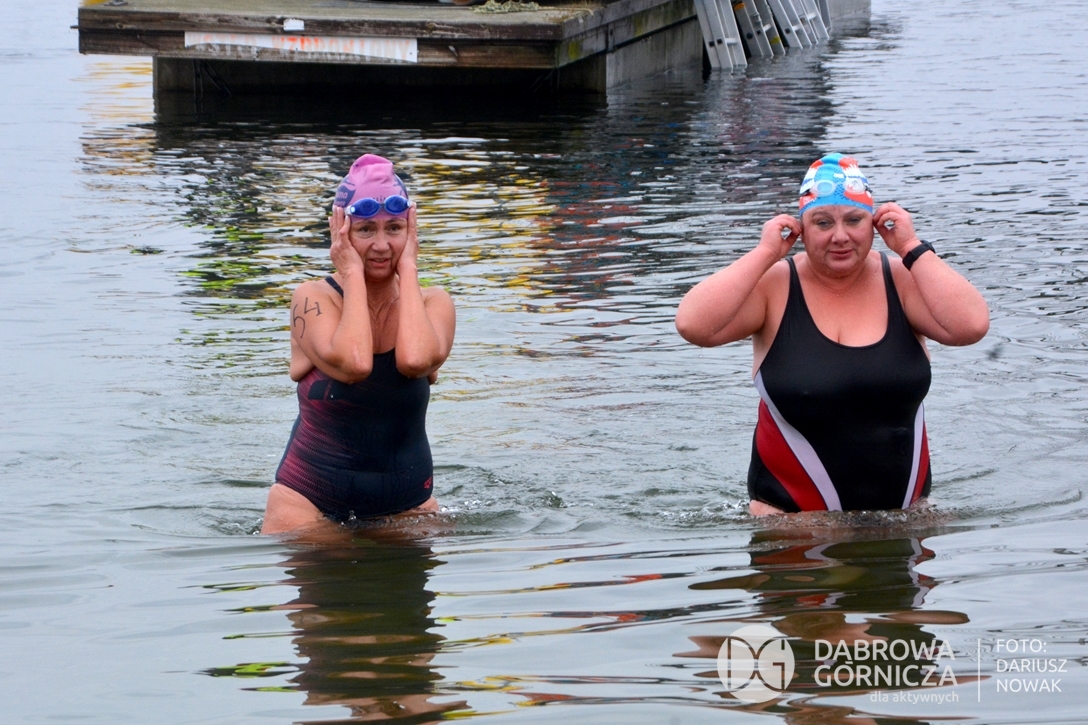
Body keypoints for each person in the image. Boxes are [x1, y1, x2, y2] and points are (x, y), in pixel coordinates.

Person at [675, 153, 989, 515]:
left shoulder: (903, 280)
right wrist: (765, 252)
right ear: (801, 229)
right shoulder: (775, 287)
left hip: (904, 523)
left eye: (854, 220)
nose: (840, 236)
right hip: (792, 527)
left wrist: (911, 247)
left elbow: (971, 326)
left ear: (874, 224)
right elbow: (693, 325)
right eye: (822, 223)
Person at [262, 154, 456, 534]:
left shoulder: (435, 304)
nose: (381, 245)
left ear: (411, 230)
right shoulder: (312, 298)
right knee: (338, 558)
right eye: (365, 230)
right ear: (341, 231)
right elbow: (354, 364)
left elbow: (415, 360)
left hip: (408, 511)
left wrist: (409, 267)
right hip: (308, 510)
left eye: (394, 228)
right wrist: (351, 272)